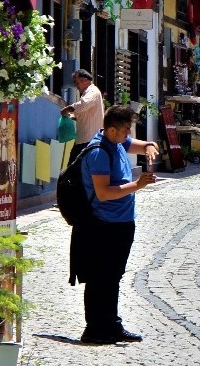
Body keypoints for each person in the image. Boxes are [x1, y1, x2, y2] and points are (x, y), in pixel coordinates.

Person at [71, 105, 160, 345]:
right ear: (111, 130)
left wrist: (149, 145)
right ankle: (94, 330)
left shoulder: (116, 142)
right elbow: (103, 193)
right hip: (104, 224)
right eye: (124, 130)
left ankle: (111, 324)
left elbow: (136, 144)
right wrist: (138, 185)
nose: (127, 135)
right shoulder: (99, 152)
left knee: (113, 277)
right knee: (100, 277)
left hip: (121, 222)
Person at [61, 69, 105, 164]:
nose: (76, 87)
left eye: (77, 83)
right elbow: (84, 113)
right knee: (74, 169)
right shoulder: (89, 93)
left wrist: (68, 108)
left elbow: (83, 105)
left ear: (85, 80)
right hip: (84, 139)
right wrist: (73, 116)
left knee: (74, 170)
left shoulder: (93, 91)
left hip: (88, 140)